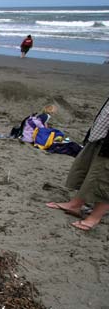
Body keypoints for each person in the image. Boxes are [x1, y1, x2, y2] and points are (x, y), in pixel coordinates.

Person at [46, 97, 109, 231]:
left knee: (104, 179)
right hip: (102, 135)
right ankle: (75, 204)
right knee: (89, 167)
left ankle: (94, 217)